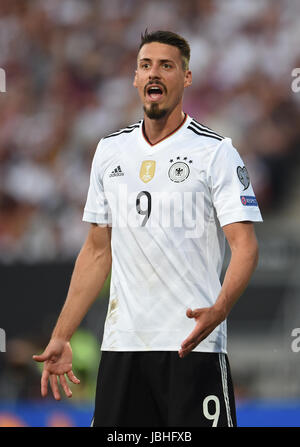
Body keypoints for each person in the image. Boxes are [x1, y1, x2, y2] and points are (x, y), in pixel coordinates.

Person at [33, 30, 263, 427]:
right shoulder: (110, 151)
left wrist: (220, 309)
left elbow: (245, 245)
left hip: (192, 347)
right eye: (145, 65)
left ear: (186, 78)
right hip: (123, 347)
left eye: (166, 65)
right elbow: (96, 251)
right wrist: (61, 335)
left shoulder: (216, 152)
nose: (154, 73)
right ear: (136, 78)